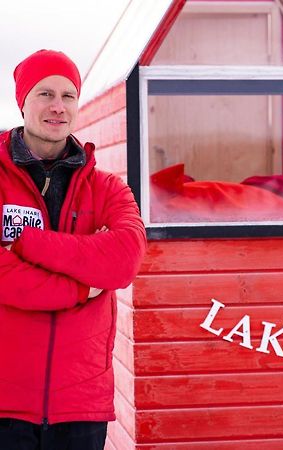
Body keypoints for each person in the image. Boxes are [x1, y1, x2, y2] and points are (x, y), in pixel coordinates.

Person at [0, 49, 147, 449]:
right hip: (5, 403)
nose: (57, 106)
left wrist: (28, 244)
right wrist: (82, 286)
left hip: (80, 404)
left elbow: (124, 260)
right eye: (45, 93)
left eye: (68, 96)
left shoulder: (107, 187)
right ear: (22, 102)